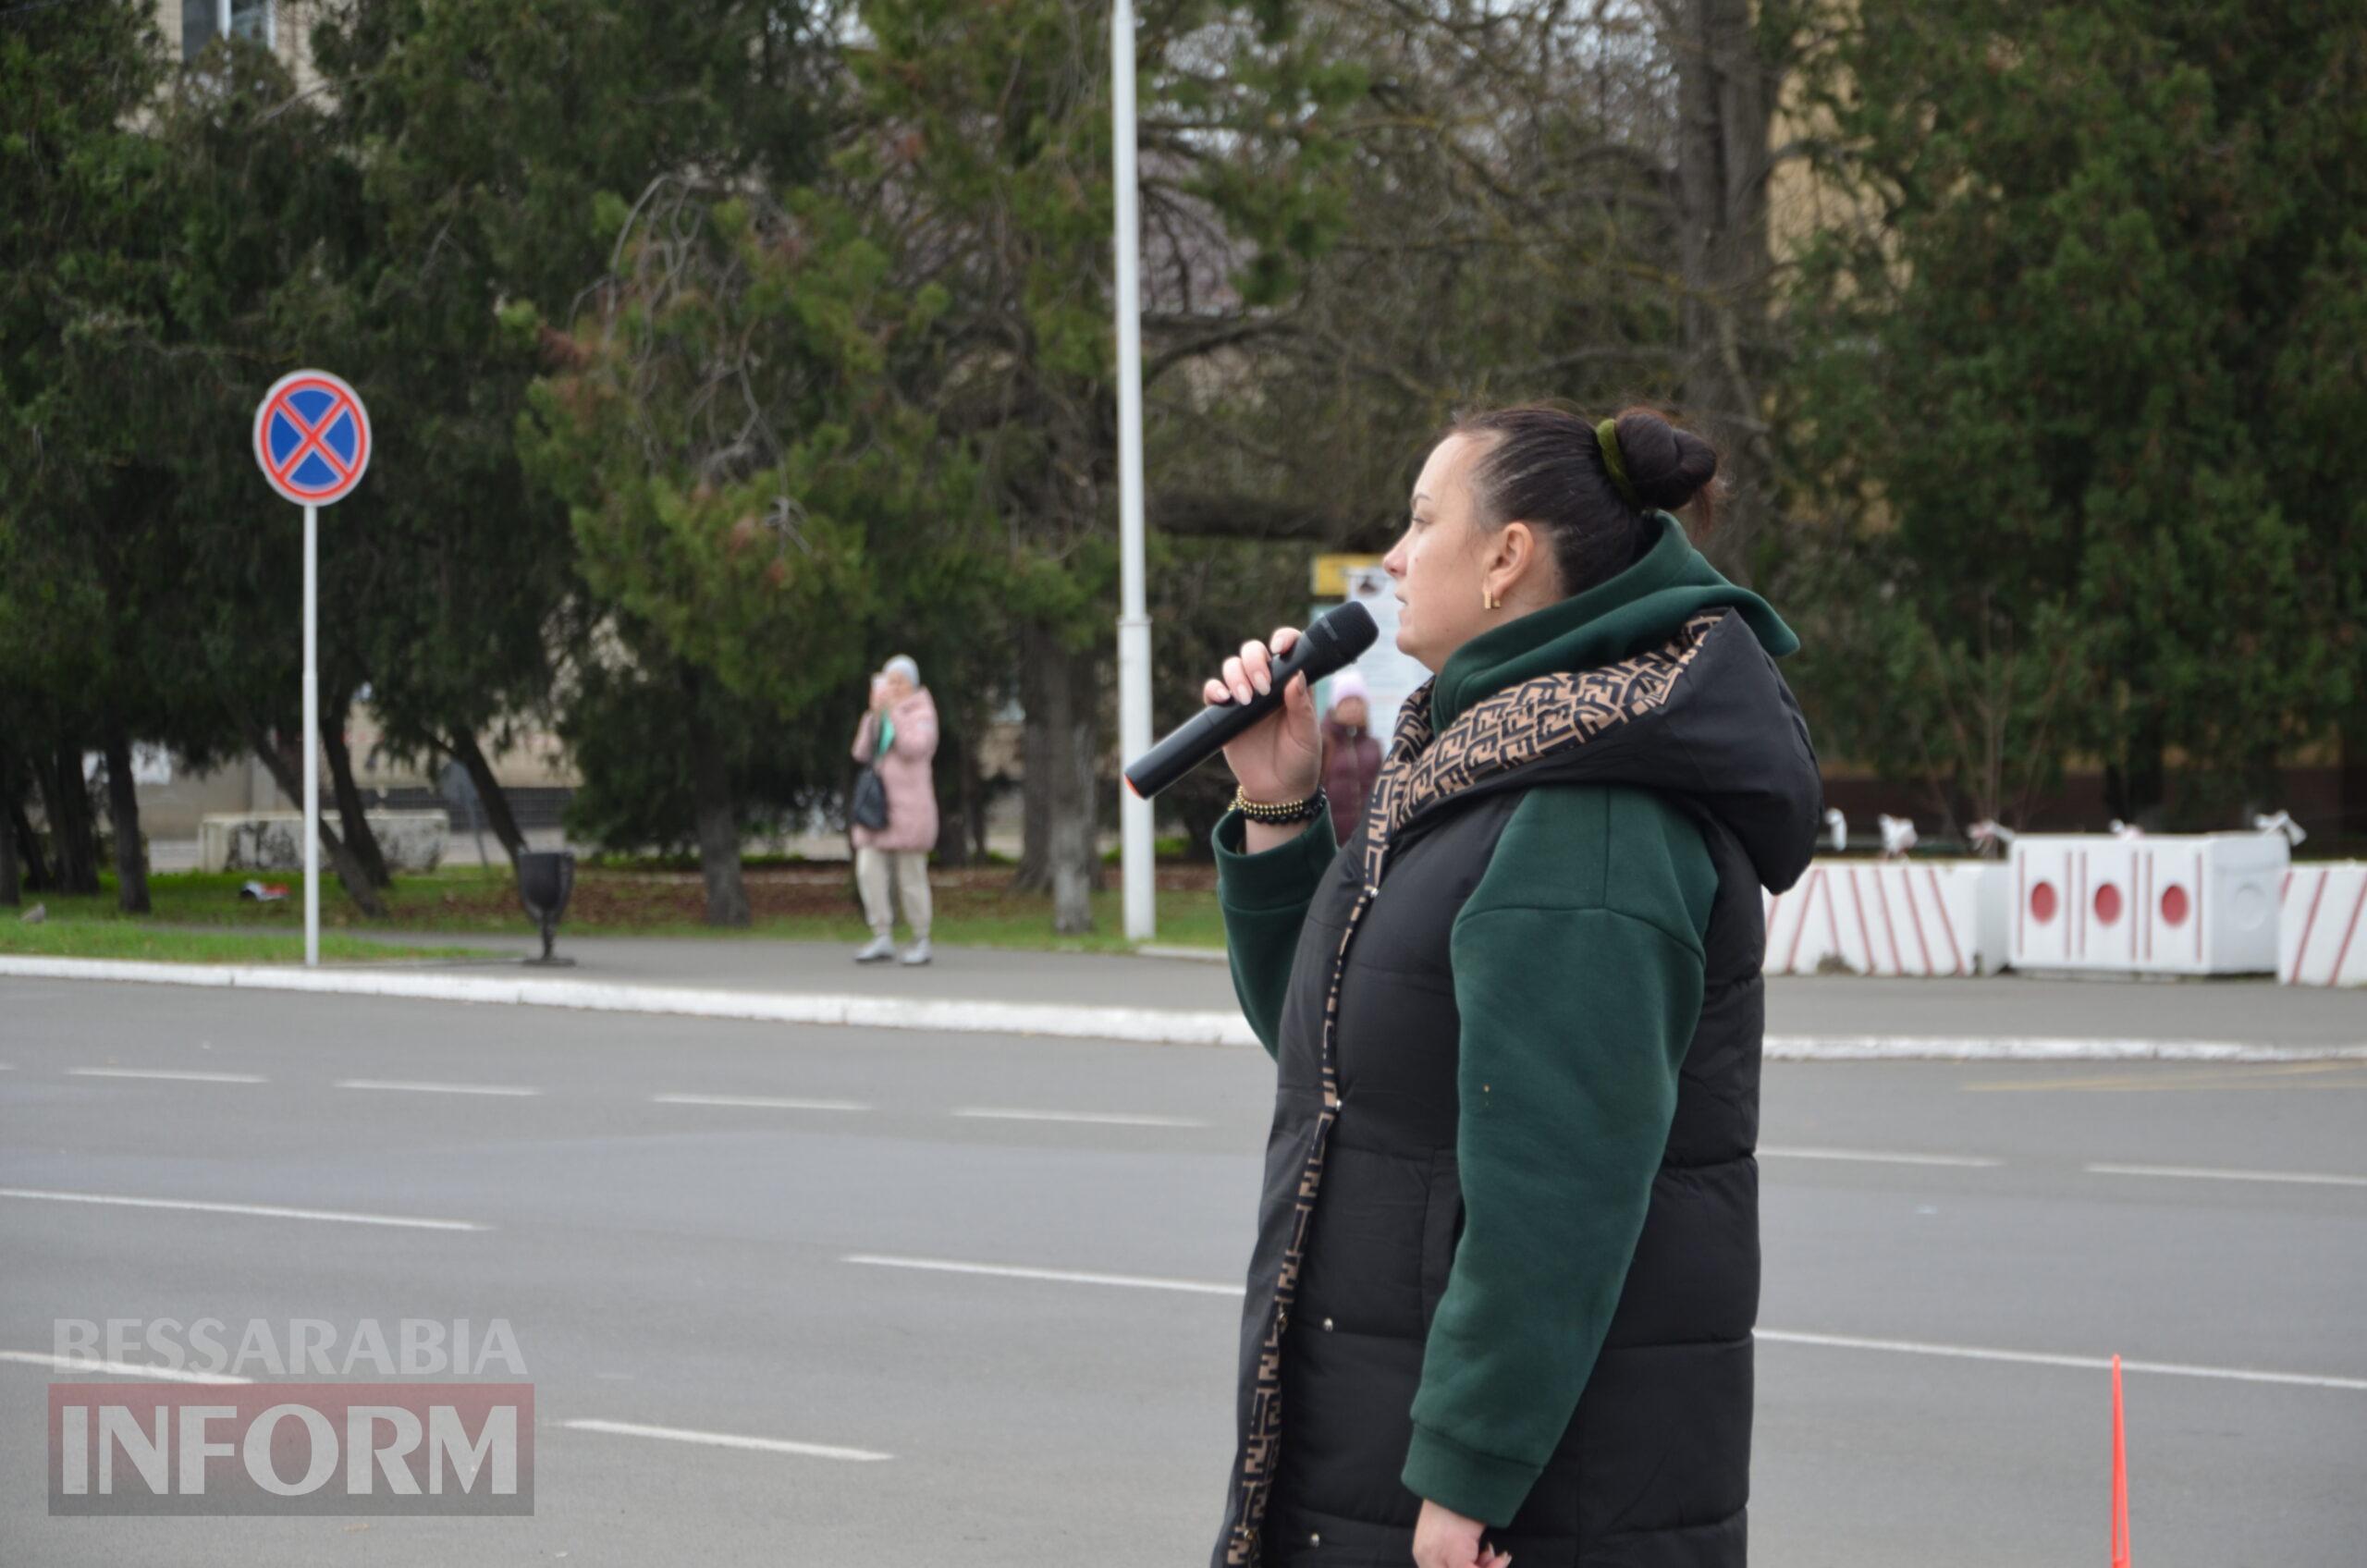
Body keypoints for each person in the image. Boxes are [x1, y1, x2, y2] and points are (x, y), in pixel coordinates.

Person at [1200, 406, 1821, 1568]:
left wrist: (1465, 1480)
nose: (1391, 554)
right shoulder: (1478, 759)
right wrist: (1279, 802)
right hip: (1383, 1443)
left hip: (1522, 1513)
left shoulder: (1587, 807)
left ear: (1507, 555)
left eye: (1423, 517)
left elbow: (1557, 1186)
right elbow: (1334, 1052)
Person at [850, 655, 939, 966]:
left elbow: (915, 747)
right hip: (877, 810)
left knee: (910, 877)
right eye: (889, 680)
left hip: (910, 810)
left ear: (912, 684)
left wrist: (895, 715)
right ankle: (881, 935)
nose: (894, 686)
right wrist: (873, 717)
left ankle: (921, 938)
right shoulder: (879, 712)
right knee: (868, 870)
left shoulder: (922, 712)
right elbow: (860, 752)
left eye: (899, 681)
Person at [1318, 669, 1383, 846]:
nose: (1353, 706)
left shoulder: (1373, 745)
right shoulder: (1322, 742)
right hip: (1332, 842)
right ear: (1335, 706)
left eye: (1358, 700)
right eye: (1346, 701)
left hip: (1369, 841)